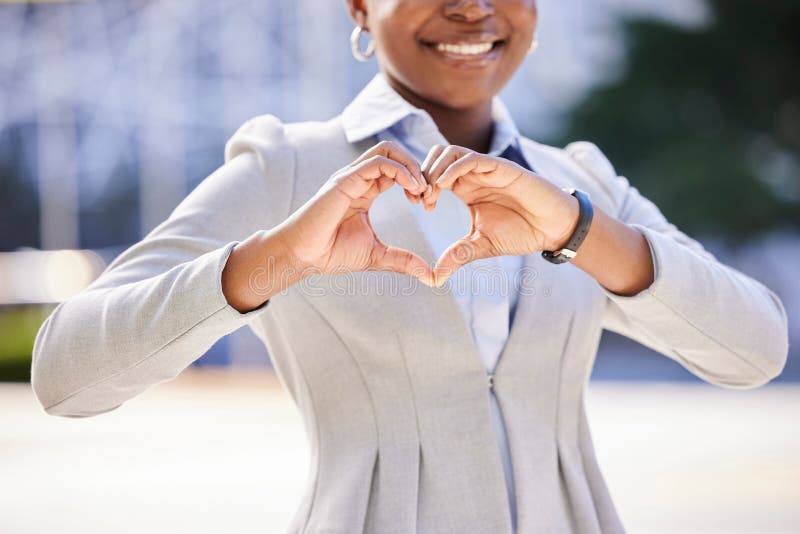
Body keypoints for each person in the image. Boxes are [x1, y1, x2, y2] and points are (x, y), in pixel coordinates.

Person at [31, 1, 789, 532]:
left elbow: (755, 351)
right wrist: (272, 261)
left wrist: (579, 229)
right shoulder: (286, 171)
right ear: (360, 7)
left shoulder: (579, 182)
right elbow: (65, 373)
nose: (473, 8)